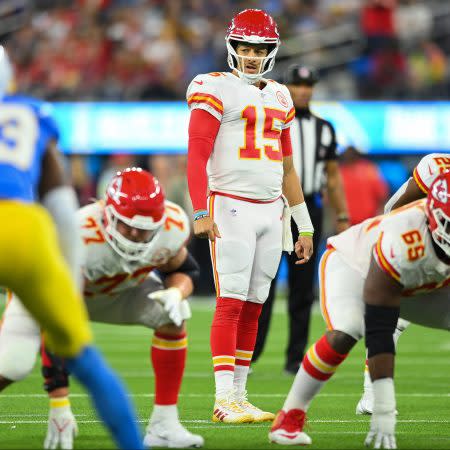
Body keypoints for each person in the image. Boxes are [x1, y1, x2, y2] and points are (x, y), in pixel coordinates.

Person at [0, 45, 143, 449]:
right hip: (23, 228)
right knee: (85, 359)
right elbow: (62, 208)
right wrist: (67, 278)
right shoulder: (30, 113)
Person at [0, 168, 204, 449]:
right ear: (106, 212)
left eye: (144, 230)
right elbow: (58, 318)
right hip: (50, 293)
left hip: (112, 294)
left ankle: (164, 425)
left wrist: (176, 292)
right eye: (127, 225)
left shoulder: (173, 225)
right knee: (13, 363)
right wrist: (59, 402)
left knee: (172, 314)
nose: (134, 235)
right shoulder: (79, 234)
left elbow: (185, 269)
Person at [186, 9, 314, 423]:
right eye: (245, 47)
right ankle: (223, 399)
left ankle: (240, 396)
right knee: (230, 302)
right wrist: (201, 210)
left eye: (260, 49)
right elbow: (197, 154)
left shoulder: (280, 95)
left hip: (271, 210)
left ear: (272, 51)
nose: (252, 55)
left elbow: (289, 168)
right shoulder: (213, 87)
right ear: (232, 48)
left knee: (256, 305)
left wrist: (304, 223)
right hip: (232, 205)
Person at [268, 172, 450, 446]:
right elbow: (378, 327)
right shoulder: (403, 239)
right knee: (349, 329)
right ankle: (289, 417)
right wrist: (384, 408)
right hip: (356, 265)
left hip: (421, 273)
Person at [252, 65, 350, 375]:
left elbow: (332, 177)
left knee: (303, 288)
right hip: (274, 206)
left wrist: (343, 217)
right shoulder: (271, 121)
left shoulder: (325, 128)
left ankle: (295, 359)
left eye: (308, 86)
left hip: (310, 207)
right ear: (287, 87)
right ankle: (249, 356)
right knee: (261, 283)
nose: (303, 91)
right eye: (297, 85)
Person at [356, 152, 450, 414]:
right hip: (421, 245)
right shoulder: (437, 167)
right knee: (391, 320)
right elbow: (394, 210)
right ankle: (372, 395)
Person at [339, 145, 389, 225]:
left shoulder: (369, 170)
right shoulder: (340, 173)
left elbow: (382, 195)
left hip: (367, 222)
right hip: (349, 223)